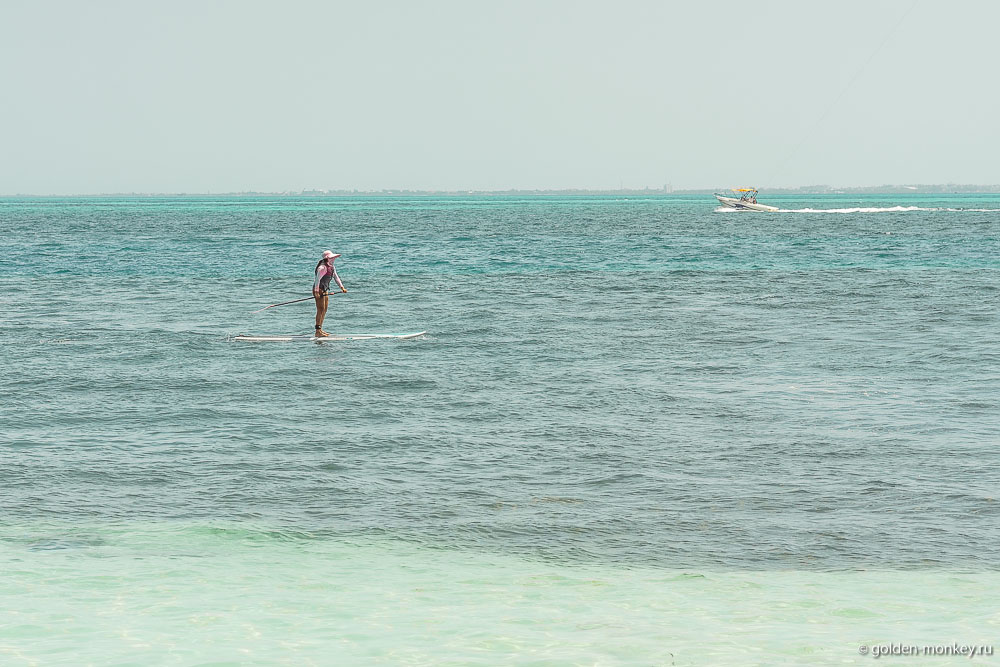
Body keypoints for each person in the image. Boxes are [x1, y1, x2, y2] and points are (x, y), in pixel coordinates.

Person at [313, 250, 347, 337]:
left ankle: (320, 329)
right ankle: (317, 331)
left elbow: (336, 277)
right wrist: (316, 292)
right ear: (327, 259)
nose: (333, 259)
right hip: (319, 289)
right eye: (332, 258)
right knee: (320, 310)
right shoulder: (322, 268)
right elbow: (317, 280)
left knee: (324, 309)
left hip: (325, 289)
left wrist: (342, 287)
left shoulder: (332, 267)